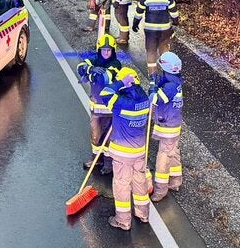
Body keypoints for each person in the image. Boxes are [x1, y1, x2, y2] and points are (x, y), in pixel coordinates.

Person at [100, 67, 151, 230]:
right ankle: (143, 214)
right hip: (140, 151)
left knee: (122, 185)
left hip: (122, 153)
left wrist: (120, 82)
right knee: (139, 182)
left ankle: (123, 221)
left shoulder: (120, 101)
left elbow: (105, 94)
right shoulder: (145, 99)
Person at [77, 34, 123, 175]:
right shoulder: (94, 60)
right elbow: (80, 67)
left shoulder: (116, 64)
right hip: (96, 109)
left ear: (113, 51)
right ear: (99, 50)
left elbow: (105, 77)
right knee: (95, 135)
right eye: (104, 50)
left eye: (109, 50)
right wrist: (90, 69)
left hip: (109, 110)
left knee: (108, 137)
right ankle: (96, 159)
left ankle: (108, 163)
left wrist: (89, 73)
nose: (107, 52)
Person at [150, 52, 184, 202]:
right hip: (173, 125)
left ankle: (161, 189)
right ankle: (176, 180)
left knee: (163, 157)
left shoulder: (170, 86)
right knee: (173, 152)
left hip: (168, 126)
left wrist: (152, 87)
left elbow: (157, 99)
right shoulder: (175, 82)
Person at [132, 0, 179, 75]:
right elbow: (174, 12)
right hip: (165, 30)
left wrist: (135, 24)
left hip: (151, 31)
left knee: (151, 51)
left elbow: (139, 12)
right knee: (164, 50)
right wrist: (176, 22)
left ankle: (152, 73)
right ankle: (168, 71)